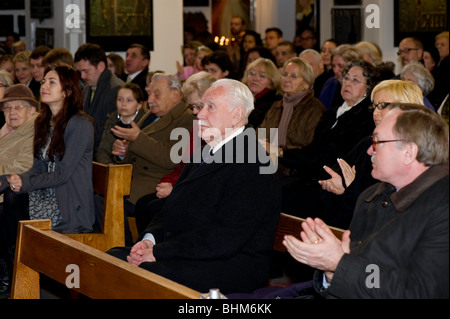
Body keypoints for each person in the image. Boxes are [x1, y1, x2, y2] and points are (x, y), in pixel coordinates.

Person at [107, 79, 281, 295]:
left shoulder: (254, 162)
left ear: (236, 115)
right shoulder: (208, 150)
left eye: (210, 107)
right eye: (200, 107)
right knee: (111, 258)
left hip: (228, 264)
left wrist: (159, 252)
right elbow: (171, 206)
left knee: (135, 271)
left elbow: (225, 237)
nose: (199, 115)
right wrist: (149, 241)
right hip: (189, 251)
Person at [283, 103, 449, 298]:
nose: (370, 150)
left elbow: (417, 291)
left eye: (377, 141)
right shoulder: (372, 195)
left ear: (408, 152)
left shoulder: (442, 209)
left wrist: (339, 264)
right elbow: (361, 277)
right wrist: (330, 271)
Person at [319, 80, 425, 229]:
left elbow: (390, 208)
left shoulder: (415, 152)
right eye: (374, 106)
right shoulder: (368, 143)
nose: (375, 112)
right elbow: (337, 172)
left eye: (382, 106)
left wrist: (352, 189)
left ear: (406, 108)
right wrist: (340, 185)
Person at [280, 60, 378, 218]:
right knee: (275, 187)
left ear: (368, 88)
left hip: (333, 181)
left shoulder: (366, 119)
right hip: (312, 174)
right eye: (346, 78)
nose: (347, 83)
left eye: (355, 80)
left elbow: (339, 158)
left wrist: (287, 156)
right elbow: (313, 149)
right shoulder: (332, 113)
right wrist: (284, 154)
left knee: (286, 194)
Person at [110, 73, 194, 244]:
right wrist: (121, 152)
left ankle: (123, 250)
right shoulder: (149, 115)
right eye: (149, 94)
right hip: (132, 178)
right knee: (98, 199)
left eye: (157, 94)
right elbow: (135, 149)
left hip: (153, 182)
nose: (150, 99)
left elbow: (171, 158)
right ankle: (116, 250)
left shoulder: (187, 119)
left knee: (109, 205)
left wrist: (137, 138)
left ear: (175, 95)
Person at [134, 71, 216, 234]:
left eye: (199, 106)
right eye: (193, 107)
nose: (195, 112)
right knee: (145, 204)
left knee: (153, 208)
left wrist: (175, 188)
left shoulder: (214, 132)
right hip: (180, 184)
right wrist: (168, 182)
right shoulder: (198, 126)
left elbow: (202, 175)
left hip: (196, 195)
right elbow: (185, 165)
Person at [0, 84, 38, 296]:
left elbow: (23, 168)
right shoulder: (10, 129)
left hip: (21, 194)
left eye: (18, 107)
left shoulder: (32, 131)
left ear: (31, 110)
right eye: (7, 107)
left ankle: (7, 269)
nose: (11, 112)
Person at [259, 57, 325, 162]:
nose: (286, 79)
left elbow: (309, 151)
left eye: (294, 76)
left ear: (306, 84)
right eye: (284, 75)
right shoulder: (276, 105)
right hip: (268, 162)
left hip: (294, 170)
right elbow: (261, 132)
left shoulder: (315, 109)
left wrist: (277, 151)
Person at [74, 43, 125, 158]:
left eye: (86, 71)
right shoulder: (87, 88)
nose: (82, 76)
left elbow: (110, 132)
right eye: (80, 72)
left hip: (104, 157)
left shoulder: (116, 89)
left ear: (101, 66)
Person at [95, 83, 147, 164]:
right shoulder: (111, 121)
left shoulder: (145, 123)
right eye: (120, 99)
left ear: (139, 105)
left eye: (129, 100)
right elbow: (102, 151)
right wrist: (108, 165)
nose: (123, 104)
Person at [241, 57, 282, 128]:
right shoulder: (241, 96)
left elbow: (268, 134)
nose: (255, 79)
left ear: (271, 81)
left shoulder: (275, 103)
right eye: (252, 73)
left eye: (262, 76)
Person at [319, 44, 361, 109]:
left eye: (341, 66)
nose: (335, 71)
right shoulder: (330, 84)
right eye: (333, 66)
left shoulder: (360, 87)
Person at [428, 31, 450, 110]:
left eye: (442, 45)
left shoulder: (446, 65)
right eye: (437, 44)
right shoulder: (438, 64)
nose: (438, 47)